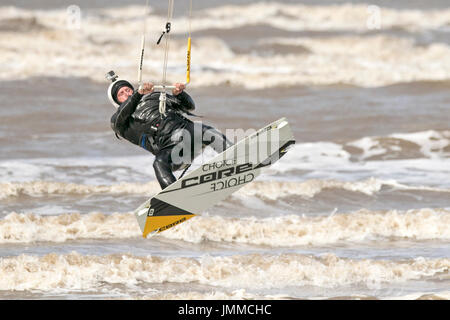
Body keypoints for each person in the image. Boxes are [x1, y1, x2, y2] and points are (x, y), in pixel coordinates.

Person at [106, 71, 232, 190]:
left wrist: (180, 94)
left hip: (188, 133)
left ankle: (236, 159)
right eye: (121, 94)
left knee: (208, 132)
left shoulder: (155, 97)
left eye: (128, 90)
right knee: (159, 164)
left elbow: (189, 107)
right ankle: (174, 198)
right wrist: (137, 94)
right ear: (116, 101)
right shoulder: (119, 121)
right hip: (170, 150)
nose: (127, 94)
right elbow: (123, 112)